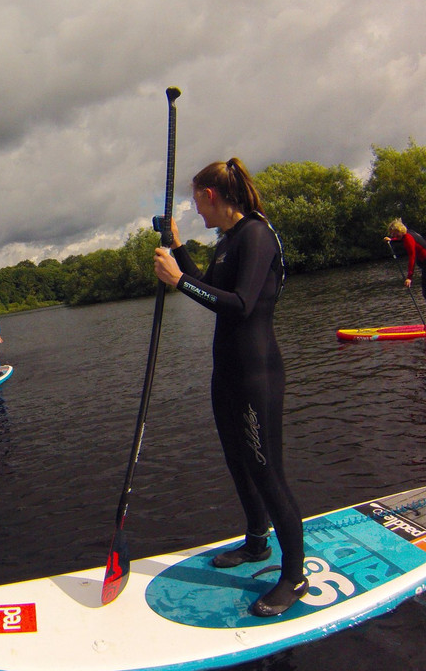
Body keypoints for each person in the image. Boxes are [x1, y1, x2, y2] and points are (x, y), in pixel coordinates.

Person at [153, 157, 306, 618]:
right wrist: (179, 252)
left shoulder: (257, 235)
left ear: (213, 197)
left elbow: (239, 306)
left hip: (257, 375)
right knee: (237, 461)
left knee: (266, 470)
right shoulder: (228, 242)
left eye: (198, 203)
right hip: (227, 373)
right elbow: (207, 287)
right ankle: (257, 543)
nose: (198, 212)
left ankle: (294, 575)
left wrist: (178, 282)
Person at [384, 219, 426, 328]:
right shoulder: (409, 233)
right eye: (392, 234)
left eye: (394, 233)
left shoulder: (408, 238)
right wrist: (392, 240)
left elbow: (412, 257)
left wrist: (409, 277)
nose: (393, 235)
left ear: (399, 230)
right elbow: (402, 239)